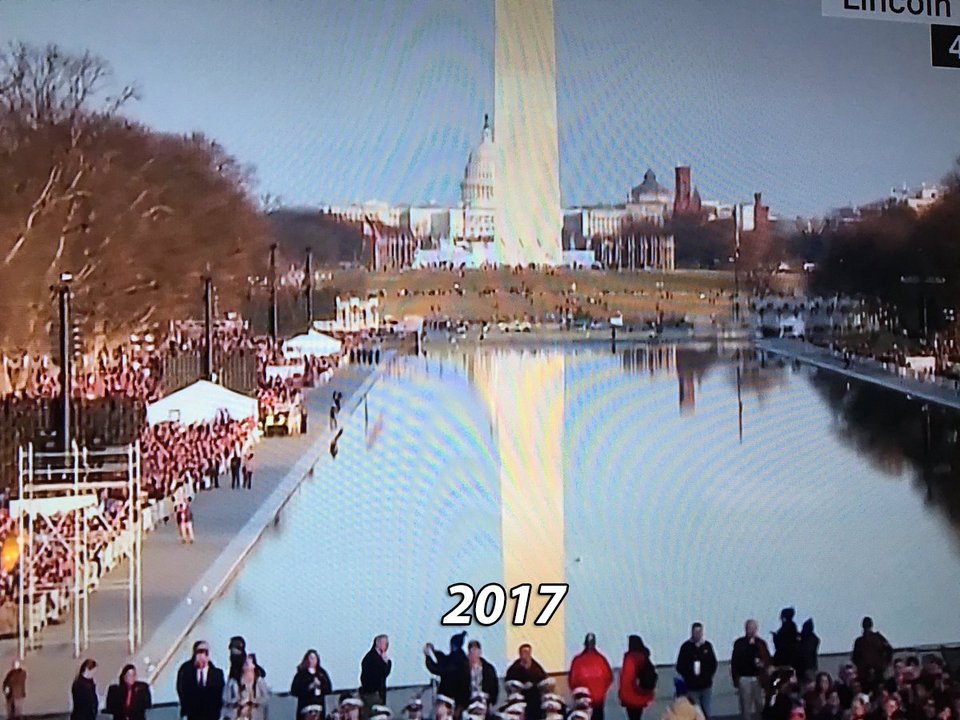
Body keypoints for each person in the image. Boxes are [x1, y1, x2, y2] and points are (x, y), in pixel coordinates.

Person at [676, 623, 718, 719]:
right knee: (695, 711)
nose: (698, 634)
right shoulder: (686, 647)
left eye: (699, 632)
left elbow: (713, 663)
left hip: (706, 685)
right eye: (695, 632)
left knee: (706, 710)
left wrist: (708, 676)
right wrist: (688, 677)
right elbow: (680, 666)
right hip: (692, 686)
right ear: (691, 632)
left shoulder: (707, 646)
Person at [176, 640, 226, 720]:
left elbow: (219, 694)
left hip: (211, 715)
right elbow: (181, 690)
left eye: (205, 652)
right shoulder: (186, 671)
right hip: (192, 714)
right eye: (199, 651)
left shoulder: (217, 673)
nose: (202, 655)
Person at [731, 621, 771, 720]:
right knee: (745, 707)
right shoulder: (740, 643)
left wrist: (764, 664)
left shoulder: (761, 643)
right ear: (745, 629)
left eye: (754, 628)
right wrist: (736, 679)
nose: (752, 631)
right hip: (745, 678)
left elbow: (767, 659)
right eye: (750, 628)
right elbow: (735, 661)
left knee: (760, 705)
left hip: (758, 678)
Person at [569, 633, 614, 720]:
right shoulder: (601, 659)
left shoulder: (577, 660)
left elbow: (572, 681)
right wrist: (602, 691)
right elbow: (609, 678)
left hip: (582, 699)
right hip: (598, 699)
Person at [424, 632, 470, 713]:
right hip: (458, 701)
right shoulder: (460, 658)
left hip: (454, 701)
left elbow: (438, 669)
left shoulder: (458, 661)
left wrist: (428, 657)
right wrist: (433, 651)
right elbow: (444, 660)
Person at [505, 644, 548, 720]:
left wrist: (533, 683)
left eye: (528, 652)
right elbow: (509, 682)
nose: (526, 654)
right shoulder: (514, 668)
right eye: (524, 652)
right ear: (520, 654)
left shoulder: (536, 667)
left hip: (534, 697)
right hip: (519, 696)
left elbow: (543, 680)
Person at [619, 635, 657, 720]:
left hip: (631, 695)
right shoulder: (644, 657)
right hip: (641, 694)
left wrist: (622, 695)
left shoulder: (630, 659)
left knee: (633, 717)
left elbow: (627, 679)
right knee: (637, 716)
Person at [851, 617, 893, 693]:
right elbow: (855, 657)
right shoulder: (859, 641)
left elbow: (889, 650)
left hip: (878, 673)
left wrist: (884, 665)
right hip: (864, 675)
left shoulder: (877, 638)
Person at [223, 654, 270, 720]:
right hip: (236, 716)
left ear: (254, 666)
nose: (246, 665)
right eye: (244, 663)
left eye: (248, 663)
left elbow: (266, 698)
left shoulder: (259, 681)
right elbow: (225, 697)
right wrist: (237, 701)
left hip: (255, 716)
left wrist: (253, 701)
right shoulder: (234, 681)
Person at [291, 650, 333, 720]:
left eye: (314, 658)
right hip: (305, 706)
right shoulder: (301, 674)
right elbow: (294, 690)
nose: (312, 660)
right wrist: (309, 687)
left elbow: (328, 689)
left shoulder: (322, 673)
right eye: (311, 658)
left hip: (319, 706)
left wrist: (320, 685)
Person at [359, 635, 392, 719]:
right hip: (371, 694)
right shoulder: (370, 658)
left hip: (380, 694)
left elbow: (385, 674)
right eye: (384, 643)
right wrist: (384, 664)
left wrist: (387, 663)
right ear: (377, 643)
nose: (386, 645)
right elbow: (374, 676)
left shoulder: (383, 658)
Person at [466, 640, 500, 708]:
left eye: (476, 651)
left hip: (484, 702)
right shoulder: (463, 669)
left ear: (480, 652)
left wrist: (491, 700)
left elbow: (494, 687)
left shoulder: (488, 669)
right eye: (472, 652)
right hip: (468, 703)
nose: (474, 655)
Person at [772, 609, 801, 675]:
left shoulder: (786, 627)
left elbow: (781, 643)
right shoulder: (792, 627)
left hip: (784, 659)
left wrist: (775, 637)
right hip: (789, 658)